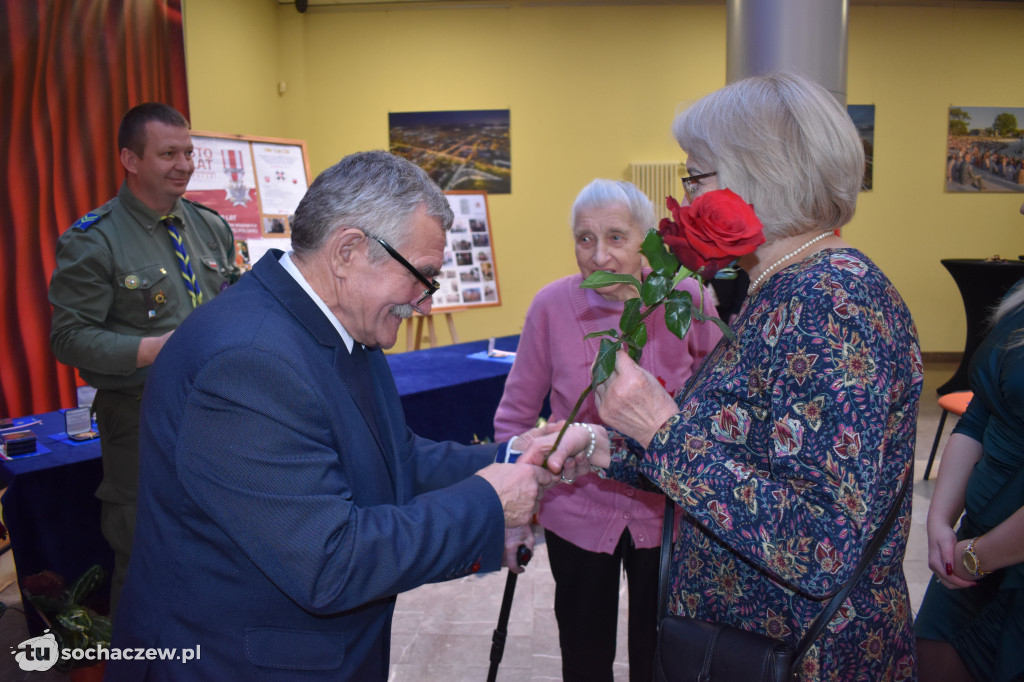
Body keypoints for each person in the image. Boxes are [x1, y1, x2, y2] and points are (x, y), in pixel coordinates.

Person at [107, 150, 558, 680]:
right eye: (423, 277)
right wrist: (489, 502)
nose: (426, 304)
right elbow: (329, 562)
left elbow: (397, 460)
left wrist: (514, 456)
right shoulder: (247, 362)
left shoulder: (341, 326)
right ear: (349, 250)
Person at [529, 73, 922, 680]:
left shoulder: (832, 302)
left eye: (696, 177)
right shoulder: (785, 287)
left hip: (803, 656)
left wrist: (661, 427)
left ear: (755, 175)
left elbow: (820, 545)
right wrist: (604, 446)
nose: (684, 203)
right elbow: (733, 449)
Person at [493, 178, 722, 682]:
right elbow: (514, 418)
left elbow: (720, 408)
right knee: (584, 656)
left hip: (668, 515)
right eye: (584, 238)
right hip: (575, 510)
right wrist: (513, 514)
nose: (599, 256)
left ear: (648, 240)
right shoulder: (551, 307)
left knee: (660, 657)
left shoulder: (686, 298)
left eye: (616, 237)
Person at [48, 102, 239, 616]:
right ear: (130, 159)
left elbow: (236, 301)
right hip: (142, 415)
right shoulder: (95, 240)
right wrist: (153, 348)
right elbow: (68, 338)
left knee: (222, 542)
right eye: (169, 153)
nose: (184, 164)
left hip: (221, 413)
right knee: (146, 551)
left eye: (189, 152)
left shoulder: (208, 227)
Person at [915, 259, 1024, 679]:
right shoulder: (1019, 292)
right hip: (974, 549)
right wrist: (940, 520)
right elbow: (981, 413)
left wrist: (979, 557)